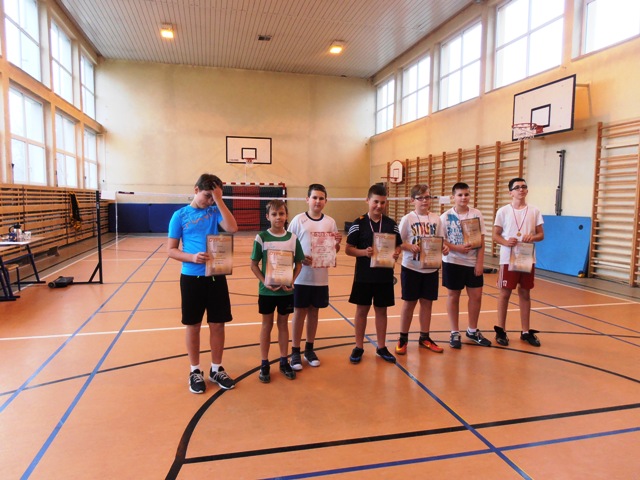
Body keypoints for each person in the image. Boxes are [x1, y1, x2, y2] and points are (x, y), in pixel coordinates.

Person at [167, 173, 238, 394]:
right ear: (196, 190)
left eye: (213, 197)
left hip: (216, 276)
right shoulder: (179, 216)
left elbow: (232, 228)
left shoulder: (215, 211)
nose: (209, 201)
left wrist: (219, 200)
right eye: (207, 195)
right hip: (191, 278)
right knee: (193, 324)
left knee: (218, 324)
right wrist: (191, 257)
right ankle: (195, 370)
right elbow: (171, 250)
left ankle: (216, 369)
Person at [287, 184, 342, 371]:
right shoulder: (298, 220)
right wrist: (300, 258)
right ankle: (295, 351)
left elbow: (334, 250)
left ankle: (309, 349)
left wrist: (336, 245)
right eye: (314, 197)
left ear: (326, 201)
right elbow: (288, 246)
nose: (318, 201)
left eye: (321, 198)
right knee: (299, 312)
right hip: (301, 277)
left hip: (320, 278)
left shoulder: (330, 222)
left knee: (314, 312)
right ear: (307, 199)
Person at [345, 184, 402, 364]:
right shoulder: (358, 223)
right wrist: (364, 252)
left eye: (382, 202)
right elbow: (348, 249)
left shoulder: (391, 224)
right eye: (375, 202)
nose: (379, 206)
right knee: (362, 310)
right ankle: (358, 346)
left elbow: (398, 245)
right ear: (367, 200)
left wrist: (396, 253)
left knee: (381, 311)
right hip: (363, 276)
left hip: (384, 276)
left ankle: (381, 347)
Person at [250, 199, 305, 383]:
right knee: (267, 325)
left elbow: (299, 264)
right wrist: (264, 281)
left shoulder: (292, 238)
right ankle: (264, 363)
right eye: (274, 214)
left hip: (286, 292)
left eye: (281, 213)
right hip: (267, 292)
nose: (278, 217)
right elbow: (253, 264)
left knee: (283, 324)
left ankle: (283, 360)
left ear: (286, 215)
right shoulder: (261, 237)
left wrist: (292, 280)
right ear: (267, 216)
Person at [395, 184, 448, 355]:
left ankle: (425, 337)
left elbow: (440, 240)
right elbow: (399, 242)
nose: (425, 201)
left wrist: (444, 248)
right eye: (420, 198)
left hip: (430, 268)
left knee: (427, 303)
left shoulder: (436, 219)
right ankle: (403, 338)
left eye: (427, 197)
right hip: (411, 267)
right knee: (409, 303)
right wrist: (409, 246)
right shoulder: (407, 219)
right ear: (413, 200)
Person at [492, 177, 544, 347]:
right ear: (511, 192)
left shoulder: (534, 211)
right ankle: (501, 330)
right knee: (505, 293)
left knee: (525, 293)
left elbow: (541, 235)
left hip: (526, 257)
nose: (521, 189)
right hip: (508, 258)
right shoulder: (503, 211)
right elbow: (495, 235)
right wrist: (505, 242)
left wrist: (532, 237)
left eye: (524, 187)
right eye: (517, 187)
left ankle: (525, 331)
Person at [441, 182, 492, 349]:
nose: (464, 198)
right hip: (452, 262)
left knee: (476, 297)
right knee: (453, 296)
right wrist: (457, 248)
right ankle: (454, 332)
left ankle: (472, 330)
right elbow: (442, 240)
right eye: (460, 195)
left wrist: (479, 262)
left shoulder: (476, 214)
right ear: (453, 197)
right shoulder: (445, 216)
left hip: (472, 263)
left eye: (466, 194)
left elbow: (482, 240)